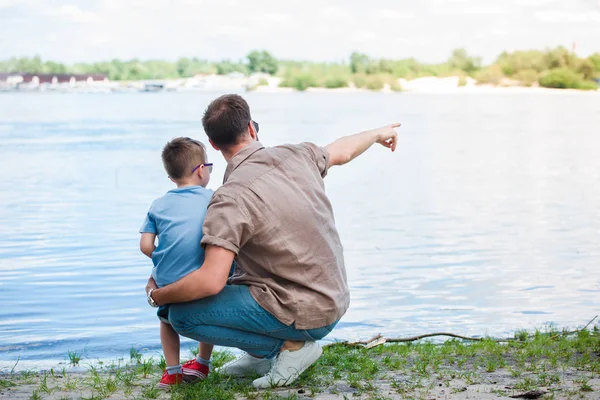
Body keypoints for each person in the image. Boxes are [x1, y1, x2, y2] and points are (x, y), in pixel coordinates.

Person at [145, 94, 400, 389]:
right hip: (334, 298)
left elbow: (210, 282)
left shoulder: (230, 197)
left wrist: (158, 296)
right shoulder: (298, 154)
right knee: (237, 270)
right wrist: (377, 133)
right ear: (252, 129)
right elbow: (341, 150)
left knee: (181, 316)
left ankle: (286, 350)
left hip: (303, 312)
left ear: (213, 145)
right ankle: (260, 355)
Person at [140, 137, 216, 389]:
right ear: (201, 170)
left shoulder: (158, 205)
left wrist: (163, 256)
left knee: (166, 322)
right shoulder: (213, 199)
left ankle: (172, 371)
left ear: (171, 176)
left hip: (168, 281)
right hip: (204, 277)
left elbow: (146, 246)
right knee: (209, 319)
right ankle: (202, 363)